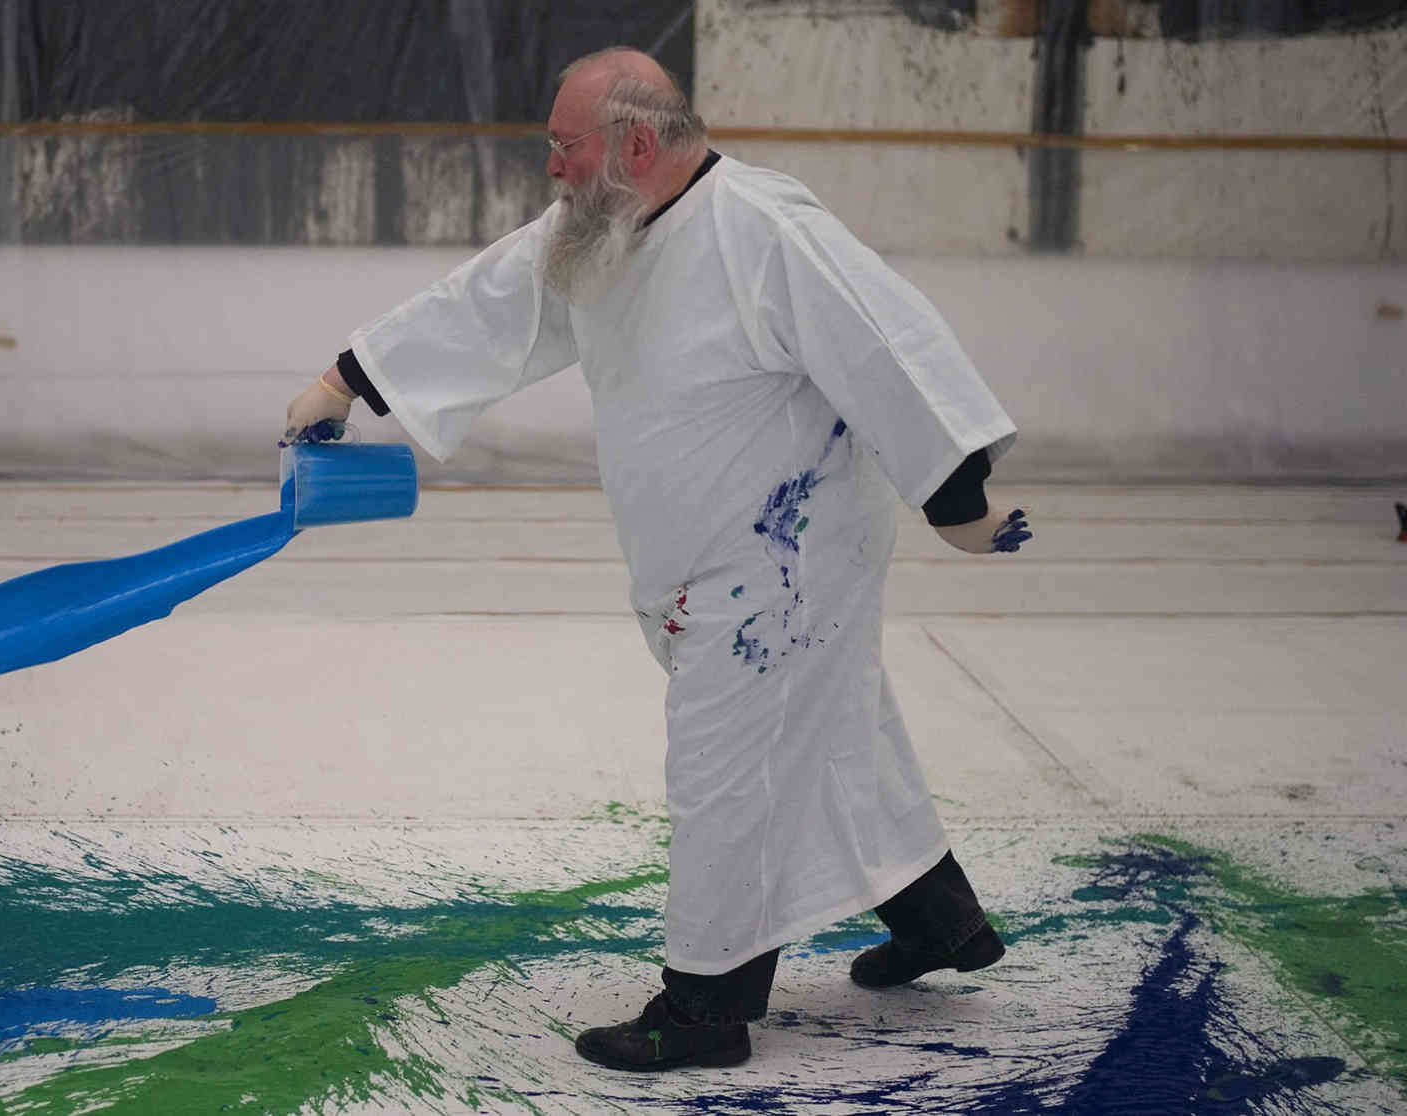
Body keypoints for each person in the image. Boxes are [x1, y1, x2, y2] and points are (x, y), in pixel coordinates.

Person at [281, 46, 1030, 1073]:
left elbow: (881, 340)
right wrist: (346, 379)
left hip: (782, 562)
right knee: (838, 741)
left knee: (726, 774)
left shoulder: (762, 230)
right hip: (704, 562)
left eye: (564, 145)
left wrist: (957, 499)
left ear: (634, 142)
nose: (550, 165)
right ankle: (939, 922)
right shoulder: (602, 228)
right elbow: (492, 300)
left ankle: (706, 1010)